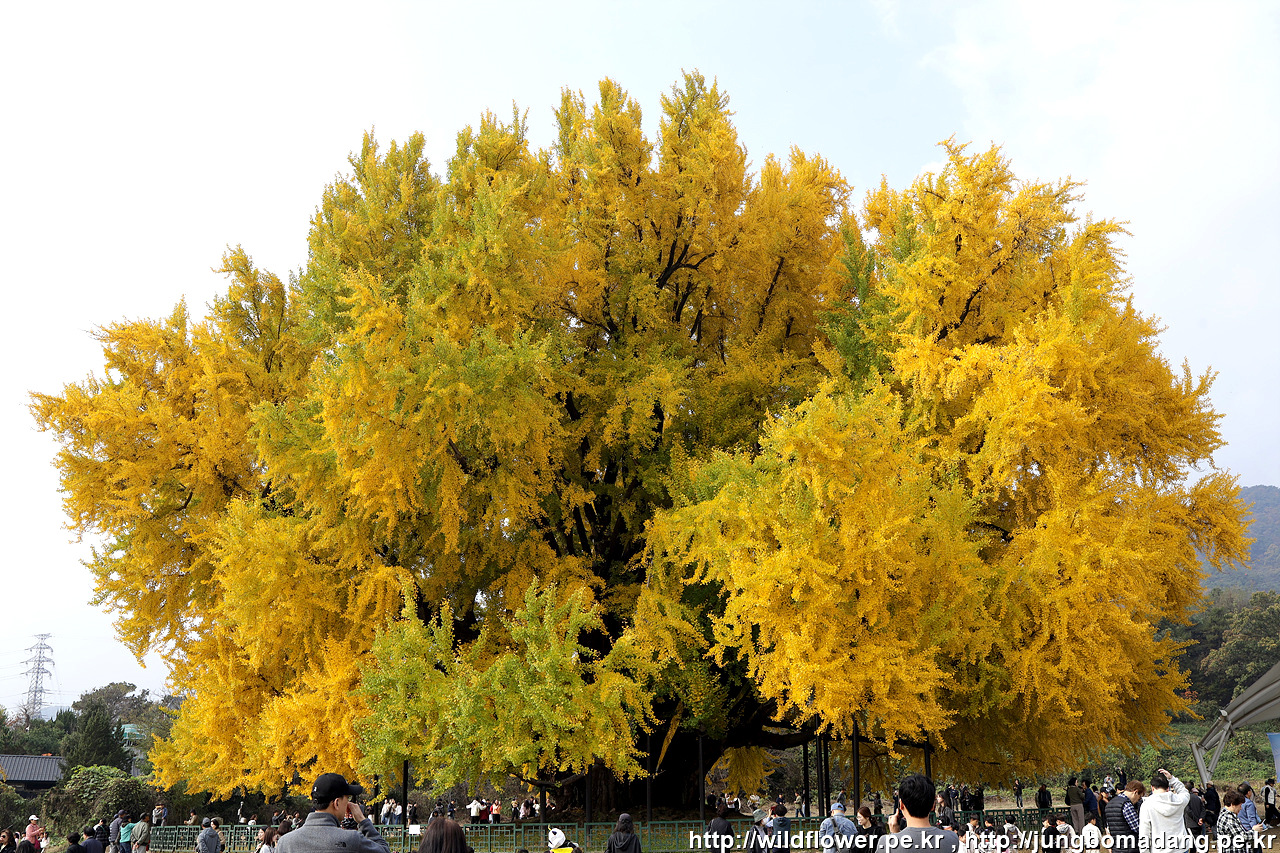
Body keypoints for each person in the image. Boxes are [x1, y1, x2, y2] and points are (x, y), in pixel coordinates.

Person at [277, 773, 390, 853]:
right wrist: (363, 821)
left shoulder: (285, 843)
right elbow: (384, 850)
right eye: (347, 798)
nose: (348, 803)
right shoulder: (351, 840)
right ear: (336, 803)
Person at [876, 774, 958, 853]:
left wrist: (894, 835)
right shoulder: (951, 839)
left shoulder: (885, 843)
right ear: (933, 806)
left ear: (901, 805)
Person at [1139, 770, 1190, 853]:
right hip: (1181, 847)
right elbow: (1184, 792)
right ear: (1168, 788)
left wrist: (1144, 851)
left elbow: (1145, 832)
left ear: (1152, 788)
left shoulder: (1147, 805)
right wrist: (1172, 779)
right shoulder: (1179, 801)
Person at [1106, 781, 1144, 850]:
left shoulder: (1110, 804)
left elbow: (1109, 828)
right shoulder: (1127, 804)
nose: (1137, 801)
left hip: (1116, 846)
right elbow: (1137, 828)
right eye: (1139, 798)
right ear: (1135, 792)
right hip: (1129, 846)